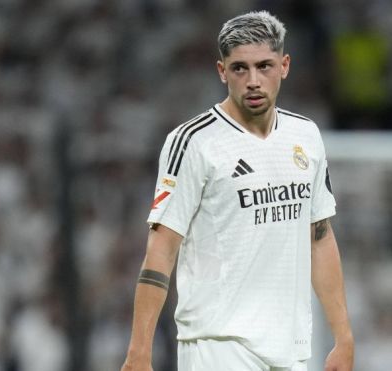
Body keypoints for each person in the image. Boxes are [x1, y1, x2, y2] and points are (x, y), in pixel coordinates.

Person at [121, 11, 353, 371]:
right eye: (240, 68)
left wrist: (343, 336)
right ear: (221, 71)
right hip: (218, 347)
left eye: (264, 66)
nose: (253, 81)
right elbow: (161, 248)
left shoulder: (305, 136)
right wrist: (139, 350)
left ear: (285, 65)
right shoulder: (193, 142)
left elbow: (319, 237)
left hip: (290, 350)